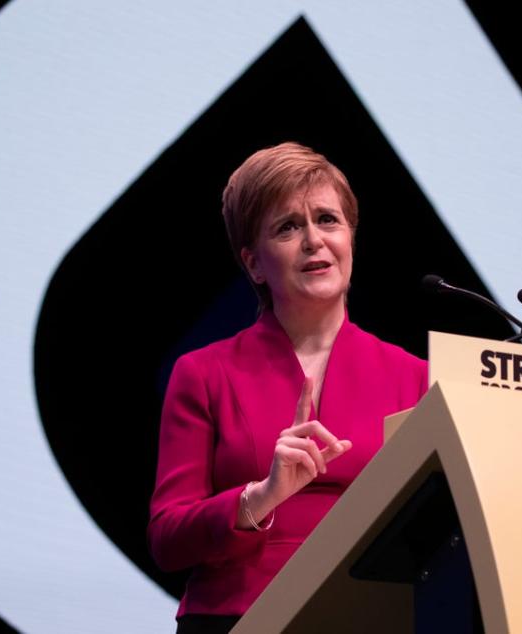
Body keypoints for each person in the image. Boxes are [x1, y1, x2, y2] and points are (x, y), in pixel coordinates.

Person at [148, 142, 428, 633]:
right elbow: (168, 537)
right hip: (239, 617)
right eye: (287, 227)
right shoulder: (204, 373)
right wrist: (260, 498)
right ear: (254, 264)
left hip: (376, 616)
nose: (314, 240)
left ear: (351, 239)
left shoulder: (416, 377)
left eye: (327, 220)